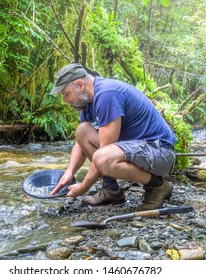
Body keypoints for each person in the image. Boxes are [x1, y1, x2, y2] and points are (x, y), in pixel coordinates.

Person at [49, 63, 177, 211]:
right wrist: (69, 172)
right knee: (82, 131)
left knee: (103, 157)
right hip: (140, 151)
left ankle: (158, 186)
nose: (65, 99)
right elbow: (80, 143)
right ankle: (112, 190)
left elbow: (104, 151)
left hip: (161, 153)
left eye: (66, 94)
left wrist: (83, 186)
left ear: (80, 85)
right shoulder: (88, 103)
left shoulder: (106, 95)